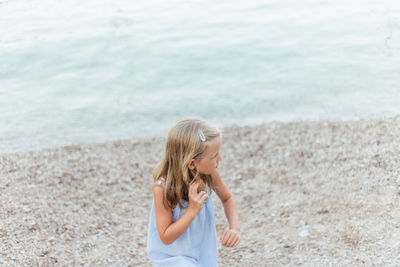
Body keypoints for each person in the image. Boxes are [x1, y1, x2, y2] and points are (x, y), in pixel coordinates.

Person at [147, 118, 240, 266]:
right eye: (214, 156)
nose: (220, 159)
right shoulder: (163, 189)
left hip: (201, 253)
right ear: (192, 163)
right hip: (172, 257)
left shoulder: (210, 176)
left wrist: (234, 229)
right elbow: (165, 237)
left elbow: (227, 198)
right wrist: (192, 210)